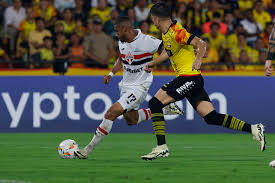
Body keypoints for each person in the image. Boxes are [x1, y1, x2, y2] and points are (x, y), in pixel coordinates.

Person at [141, 2, 266, 160]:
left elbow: (201, 43)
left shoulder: (177, 32)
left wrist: (198, 58)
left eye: (152, 18)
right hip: (192, 79)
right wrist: (153, 63)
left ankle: (161, 147)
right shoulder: (168, 33)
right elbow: (169, 51)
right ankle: (254, 128)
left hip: (189, 77)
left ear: (156, 18)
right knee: (211, 117)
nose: (152, 21)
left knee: (155, 104)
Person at [74, 16, 183, 159]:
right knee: (131, 120)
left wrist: (154, 62)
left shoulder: (147, 41)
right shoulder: (122, 41)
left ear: (126, 29)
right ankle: (163, 109)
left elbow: (169, 49)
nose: (116, 35)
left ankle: (87, 150)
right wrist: (111, 74)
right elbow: (121, 58)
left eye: (117, 31)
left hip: (140, 87)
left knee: (111, 113)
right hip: (125, 86)